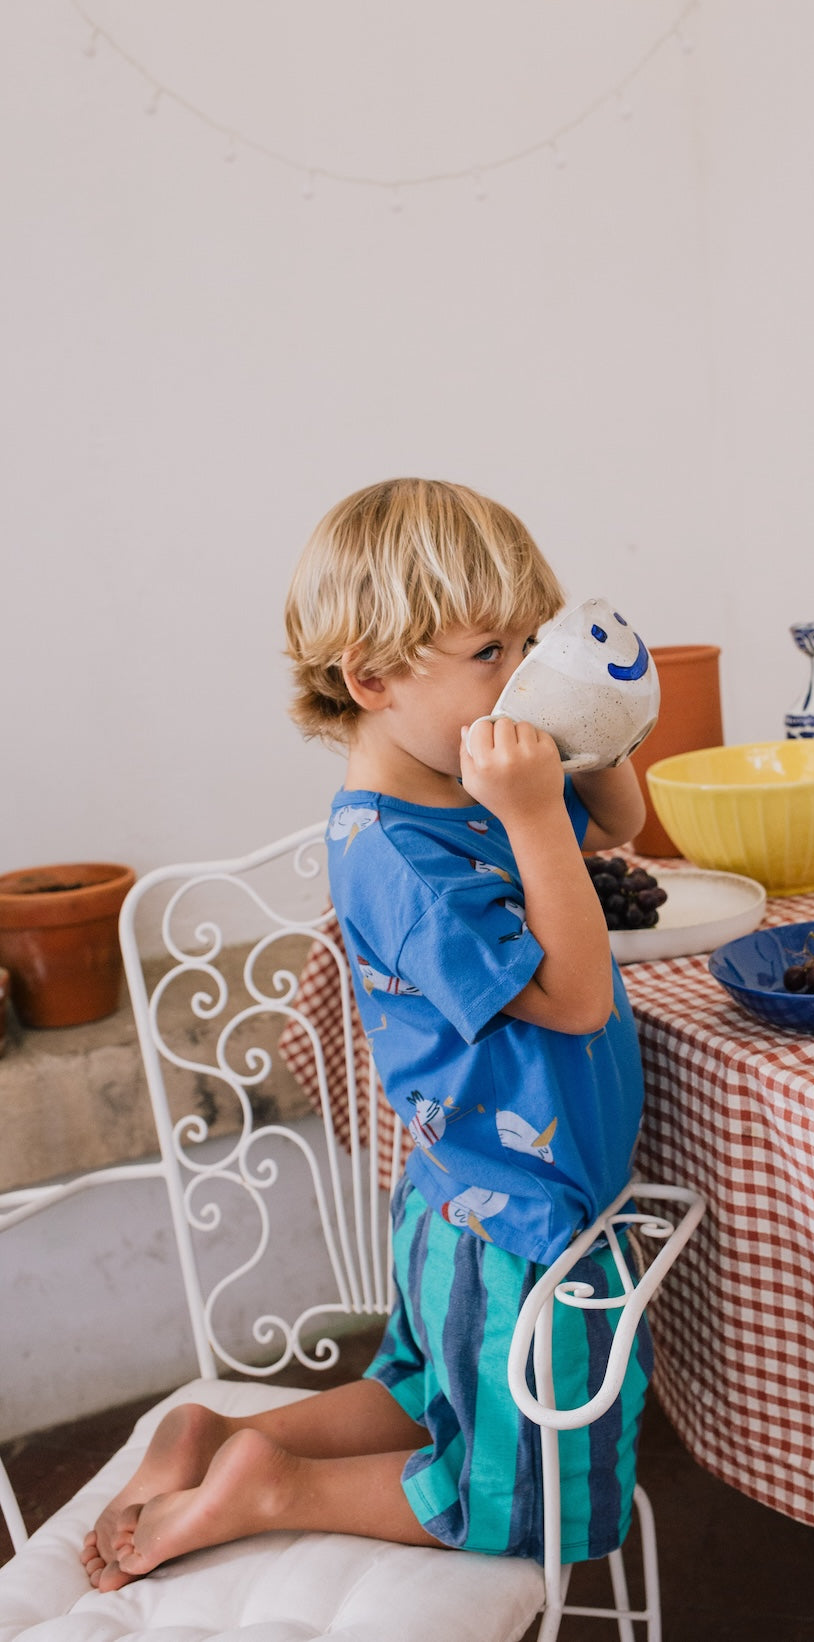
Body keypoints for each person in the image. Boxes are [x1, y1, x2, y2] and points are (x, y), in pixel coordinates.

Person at [81, 476, 651, 1592]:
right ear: (375, 678)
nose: (522, 676)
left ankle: (217, 1434)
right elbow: (576, 998)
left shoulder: (470, 775)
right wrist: (536, 813)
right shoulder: (395, 852)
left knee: (418, 1396)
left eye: (534, 642)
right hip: (514, 1222)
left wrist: (590, 724)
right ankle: (269, 1487)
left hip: (473, 1196)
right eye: (495, 651)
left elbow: (623, 822)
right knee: (538, 1492)